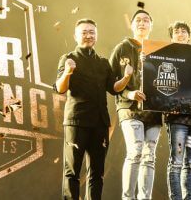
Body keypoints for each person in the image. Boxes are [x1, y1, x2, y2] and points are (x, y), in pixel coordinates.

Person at [54, 19, 133, 200]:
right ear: (75, 36)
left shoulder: (103, 63)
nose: (88, 35)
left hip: (100, 123)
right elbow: (60, 88)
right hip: (77, 122)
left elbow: (114, 89)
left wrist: (127, 77)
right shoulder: (68, 59)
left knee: (97, 173)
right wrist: (67, 72)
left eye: (92, 32)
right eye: (84, 32)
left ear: (96, 35)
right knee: (72, 171)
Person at [111, 9, 162, 200]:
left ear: (151, 25)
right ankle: (128, 198)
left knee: (149, 157)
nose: (142, 23)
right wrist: (129, 93)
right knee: (135, 152)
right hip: (129, 108)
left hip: (153, 110)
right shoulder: (121, 48)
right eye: (138, 20)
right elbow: (110, 83)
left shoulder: (159, 50)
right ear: (131, 25)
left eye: (146, 20)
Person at [164, 21, 191, 200]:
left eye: (183, 31)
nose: (180, 34)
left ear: (189, 36)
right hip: (177, 119)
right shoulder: (164, 56)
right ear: (171, 37)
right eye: (176, 32)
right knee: (176, 163)